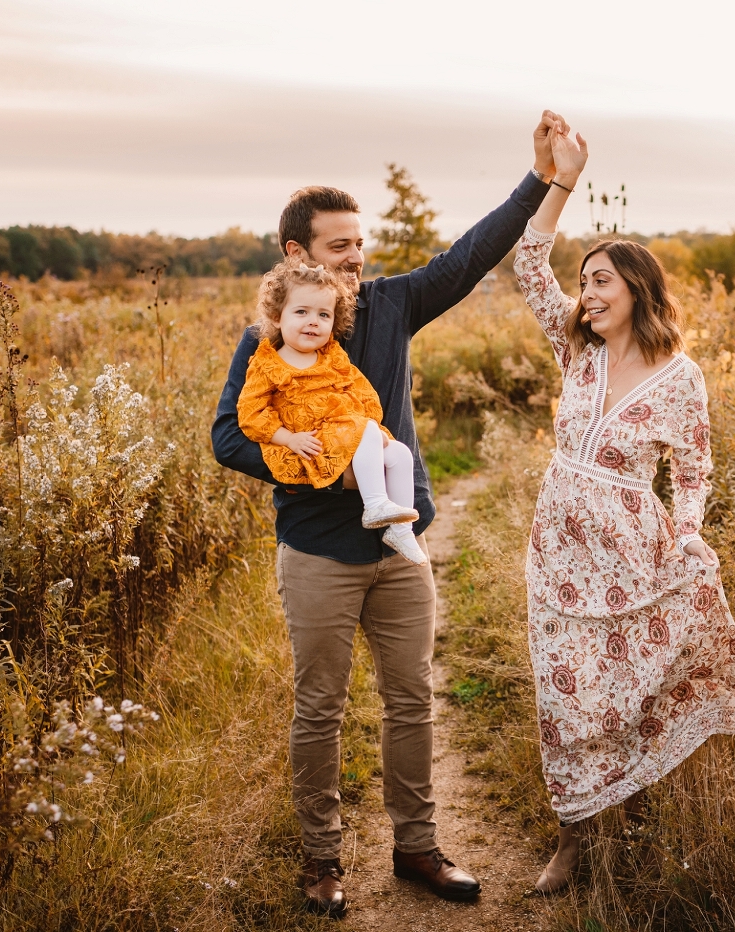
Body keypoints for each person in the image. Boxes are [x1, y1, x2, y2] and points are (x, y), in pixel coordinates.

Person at [211, 112, 562, 917]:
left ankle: (417, 848)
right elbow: (227, 436)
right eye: (339, 246)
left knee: (411, 700)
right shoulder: (267, 341)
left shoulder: (394, 304)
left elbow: (474, 252)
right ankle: (320, 860)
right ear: (296, 255)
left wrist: (541, 177)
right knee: (321, 709)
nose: (356, 257)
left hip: (401, 549)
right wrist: (312, 461)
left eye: (359, 243)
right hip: (317, 556)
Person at [512, 123, 735, 894]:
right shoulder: (577, 352)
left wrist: (690, 534)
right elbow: (529, 262)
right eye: (585, 280)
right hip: (558, 552)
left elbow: (693, 468)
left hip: (632, 552)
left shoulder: (679, 377)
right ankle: (573, 837)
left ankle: (627, 818)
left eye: (602, 281)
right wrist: (558, 179)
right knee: (564, 692)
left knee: (620, 696)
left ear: (637, 289)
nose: (586, 292)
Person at [237, 258, 425, 565]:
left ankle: (401, 530)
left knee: (400, 454)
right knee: (362, 431)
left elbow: (358, 388)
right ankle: (375, 503)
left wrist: (372, 426)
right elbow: (250, 412)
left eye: (323, 315)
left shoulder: (331, 355)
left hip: (348, 430)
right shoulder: (268, 362)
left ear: (333, 323)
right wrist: (288, 439)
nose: (313, 321)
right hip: (313, 440)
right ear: (276, 316)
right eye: (301, 312)